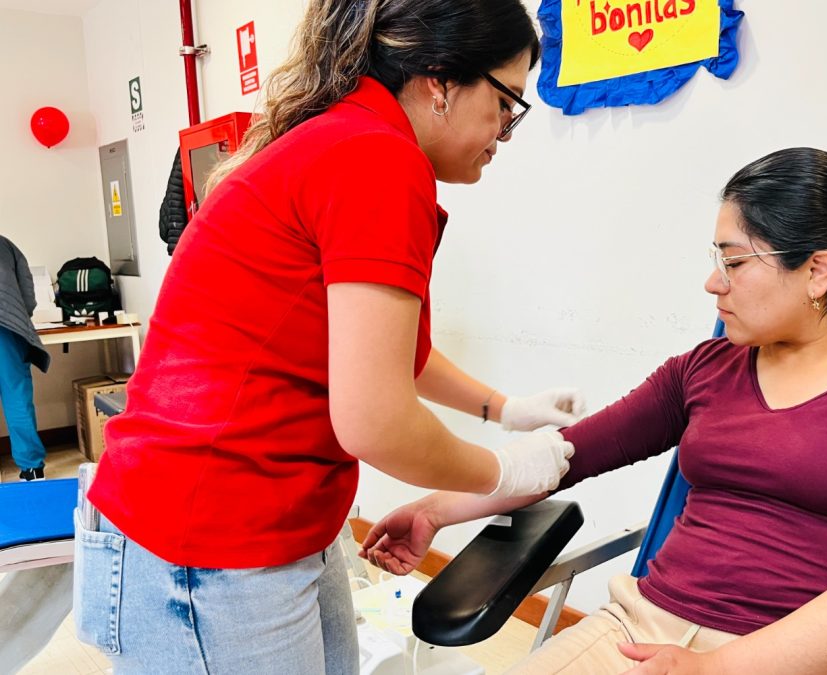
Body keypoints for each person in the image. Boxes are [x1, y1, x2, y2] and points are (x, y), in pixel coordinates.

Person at [361, 148, 827, 675]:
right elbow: (566, 454)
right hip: (636, 633)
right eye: (714, 259)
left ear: (817, 271)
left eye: (732, 262)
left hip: (785, 656)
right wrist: (436, 508)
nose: (711, 284)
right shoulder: (709, 366)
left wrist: (717, 667)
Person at [75, 2, 582, 673]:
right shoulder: (375, 158)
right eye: (507, 101)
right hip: (209, 534)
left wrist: (503, 409)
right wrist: (505, 474)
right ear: (440, 81)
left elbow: (384, 344)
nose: (505, 133)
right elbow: (374, 419)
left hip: (270, 516)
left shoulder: (346, 140)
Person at [0, 235, 49, 481]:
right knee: (16, 396)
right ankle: (32, 468)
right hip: (8, 327)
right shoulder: (5, 245)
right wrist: (22, 317)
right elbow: (27, 292)